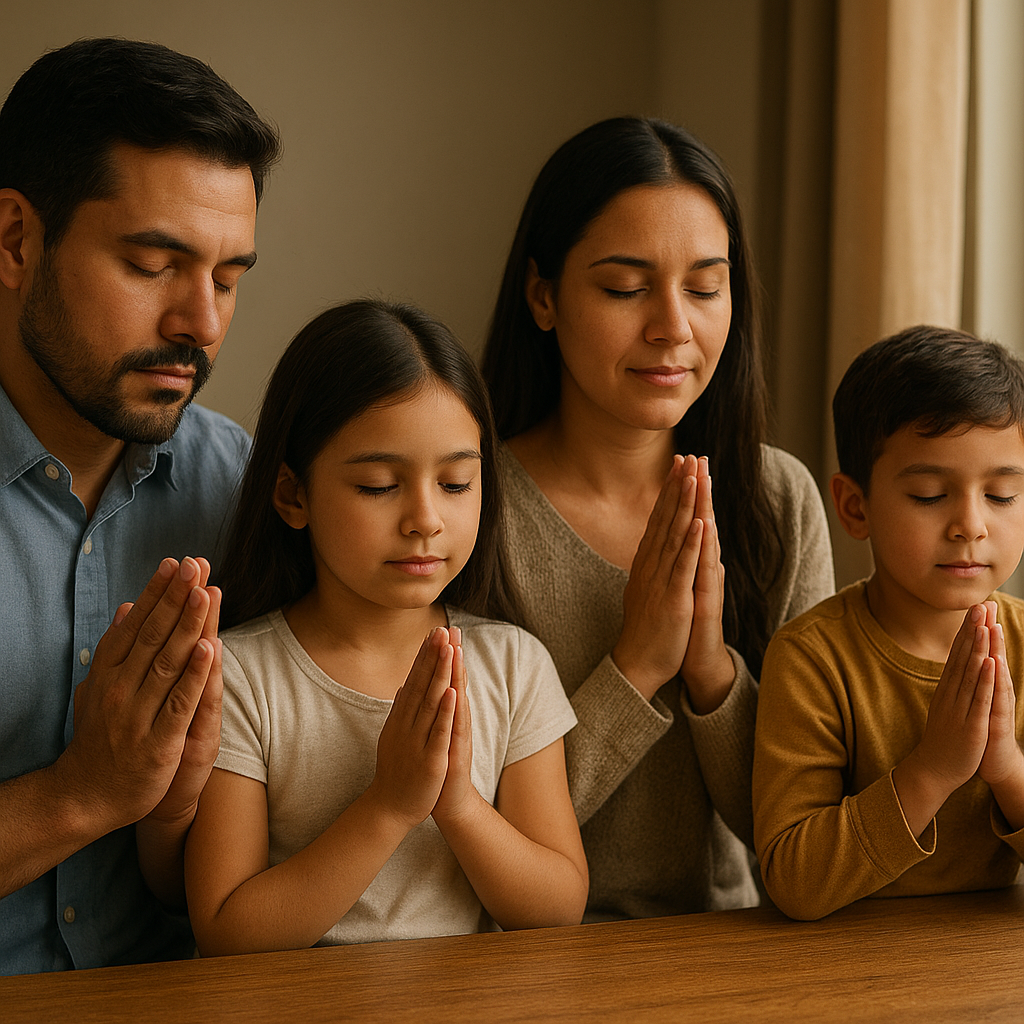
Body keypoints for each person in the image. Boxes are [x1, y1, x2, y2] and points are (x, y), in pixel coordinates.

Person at [480, 116, 835, 919]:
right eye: (625, 288)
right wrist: (635, 667)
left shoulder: (777, 499)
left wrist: (711, 675)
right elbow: (468, 831)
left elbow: (803, 831)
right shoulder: (469, 507)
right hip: (520, 956)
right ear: (543, 296)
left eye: (706, 287)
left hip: (729, 950)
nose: (673, 325)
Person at [184, 299, 588, 953]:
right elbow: (228, 930)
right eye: (378, 486)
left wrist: (457, 805)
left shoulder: (514, 665)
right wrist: (390, 805)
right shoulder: (241, 677)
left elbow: (558, 906)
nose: (425, 518)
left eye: (456, 483)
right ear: (293, 495)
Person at [0, 38, 280, 973]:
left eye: (229, 279)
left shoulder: (242, 485)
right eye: (154, 263)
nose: (200, 323)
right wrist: (85, 793)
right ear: (14, 240)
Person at [753, 325, 1024, 920]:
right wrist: (933, 770)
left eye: (1002, 495)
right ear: (855, 506)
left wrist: (1006, 769)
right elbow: (793, 880)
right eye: (930, 495)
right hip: (848, 973)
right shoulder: (811, 658)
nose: (971, 525)